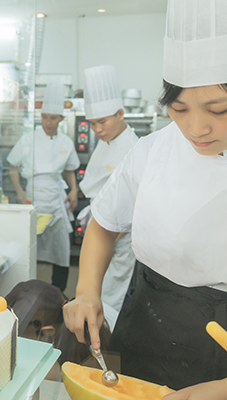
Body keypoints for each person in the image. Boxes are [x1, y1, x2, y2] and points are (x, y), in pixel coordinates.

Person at [63, 0, 227, 398]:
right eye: (179, 108)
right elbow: (103, 225)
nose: (195, 128)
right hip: (146, 327)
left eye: (219, 109)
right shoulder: (153, 150)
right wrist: (87, 291)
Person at [78, 65, 139, 329]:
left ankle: (104, 340)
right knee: (94, 287)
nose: (98, 129)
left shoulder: (134, 148)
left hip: (120, 237)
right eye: (92, 124)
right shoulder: (106, 144)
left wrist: (112, 235)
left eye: (103, 121)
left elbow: (135, 202)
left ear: (121, 113)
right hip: (100, 230)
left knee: (111, 291)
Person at [8, 82, 80, 292]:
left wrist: (73, 189)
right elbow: (12, 166)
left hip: (56, 198)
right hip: (34, 195)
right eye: (45, 117)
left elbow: (69, 169)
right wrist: (20, 191)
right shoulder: (28, 138)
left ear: (61, 119)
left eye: (53, 118)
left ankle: (58, 290)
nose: (48, 122)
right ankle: (28, 287)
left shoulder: (66, 142)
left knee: (61, 247)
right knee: (29, 245)